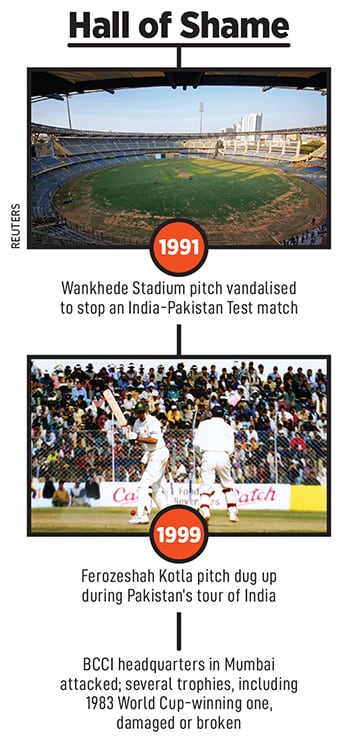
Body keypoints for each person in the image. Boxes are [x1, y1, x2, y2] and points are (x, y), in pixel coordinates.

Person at [194, 405, 238, 522]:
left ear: (211, 414)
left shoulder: (204, 424)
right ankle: (232, 512)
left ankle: (205, 510)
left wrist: (201, 454)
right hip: (223, 455)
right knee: (227, 484)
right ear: (223, 415)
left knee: (206, 485)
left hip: (208, 454)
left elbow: (196, 443)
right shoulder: (228, 427)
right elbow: (231, 447)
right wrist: (226, 455)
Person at [129, 400, 169, 524]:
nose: (141, 415)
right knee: (155, 488)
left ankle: (142, 515)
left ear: (146, 411)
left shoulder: (152, 421)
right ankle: (169, 514)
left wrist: (137, 438)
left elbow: (154, 440)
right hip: (151, 454)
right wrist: (131, 438)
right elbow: (135, 439)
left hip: (159, 452)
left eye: (142, 412)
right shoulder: (137, 422)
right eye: (138, 413)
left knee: (143, 484)